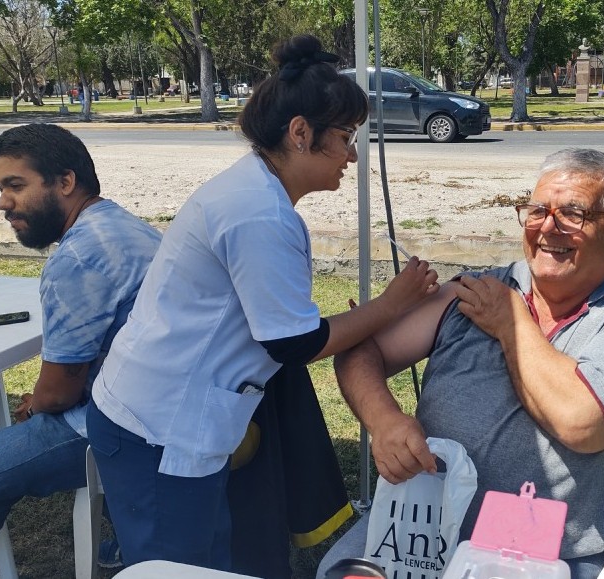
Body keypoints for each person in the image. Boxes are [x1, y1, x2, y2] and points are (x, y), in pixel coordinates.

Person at [86, 33, 439, 576]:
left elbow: (284, 323)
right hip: (156, 426)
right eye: (345, 136)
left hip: (167, 415)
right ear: (301, 133)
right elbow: (294, 342)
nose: (351, 153)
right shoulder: (259, 213)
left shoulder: (258, 196)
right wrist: (392, 305)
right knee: (177, 566)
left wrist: (368, 315)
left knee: (212, 557)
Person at [323, 148, 604, 579]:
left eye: (574, 213)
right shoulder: (481, 291)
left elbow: (582, 422)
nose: (547, 227)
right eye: (537, 210)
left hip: (555, 557)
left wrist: (512, 323)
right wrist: (384, 419)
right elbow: (359, 349)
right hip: (422, 532)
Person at [0, 123, 161, 546]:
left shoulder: (79, 258)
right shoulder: (120, 223)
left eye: (15, 185)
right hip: (164, 401)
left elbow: (60, 394)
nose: (3, 203)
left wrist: (35, 405)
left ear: (66, 181)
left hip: (123, 425)